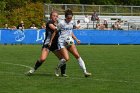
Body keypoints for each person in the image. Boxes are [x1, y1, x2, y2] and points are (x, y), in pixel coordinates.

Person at [26, 11, 67, 77]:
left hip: (55, 44)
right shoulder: (49, 23)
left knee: (63, 59)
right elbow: (55, 29)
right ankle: (33, 69)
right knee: (42, 59)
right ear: (51, 16)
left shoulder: (59, 23)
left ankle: (63, 73)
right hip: (48, 44)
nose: (55, 17)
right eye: (54, 16)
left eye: (56, 16)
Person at [55, 9, 91, 77]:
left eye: (71, 18)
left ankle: (85, 72)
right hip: (62, 42)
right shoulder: (61, 23)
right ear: (65, 17)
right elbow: (55, 31)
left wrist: (76, 39)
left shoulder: (72, 22)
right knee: (66, 58)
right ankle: (57, 68)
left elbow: (70, 32)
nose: (70, 19)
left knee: (77, 55)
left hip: (69, 41)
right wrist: (51, 41)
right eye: (68, 18)